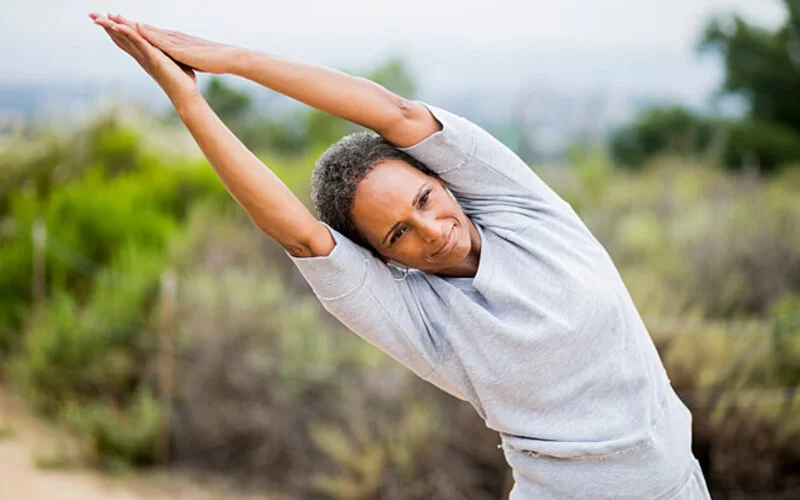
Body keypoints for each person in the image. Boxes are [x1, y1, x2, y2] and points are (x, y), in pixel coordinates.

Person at [90, 13, 712, 499]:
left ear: (446, 180)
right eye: (398, 235)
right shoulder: (424, 320)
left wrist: (231, 59)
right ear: (387, 260)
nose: (432, 229)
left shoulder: (527, 213)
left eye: (424, 198)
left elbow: (395, 113)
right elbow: (303, 237)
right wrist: (191, 102)